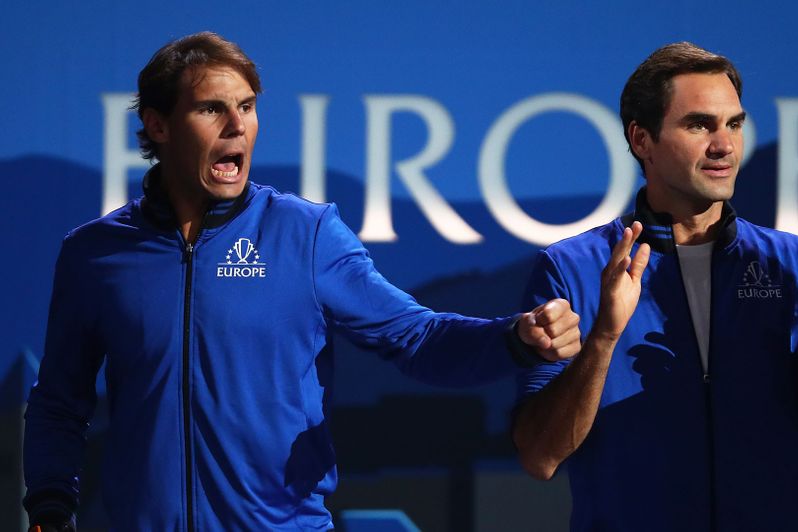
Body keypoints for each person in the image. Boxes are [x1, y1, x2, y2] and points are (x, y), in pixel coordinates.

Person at [23, 32, 582, 531]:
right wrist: (50, 506)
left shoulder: (306, 234)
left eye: (246, 107)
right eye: (212, 109)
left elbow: (417, 337)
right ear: (158, 124)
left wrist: (514, 338)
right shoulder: (94, 254)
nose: (237, 125)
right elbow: (59, 403)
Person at [512, 42, 798, 531]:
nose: (723, 145)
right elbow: (540, 457)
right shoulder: (572, 268)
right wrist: (602, 340)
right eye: (699, 124)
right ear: (642, 140)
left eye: (734, 124)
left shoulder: (794, 263)